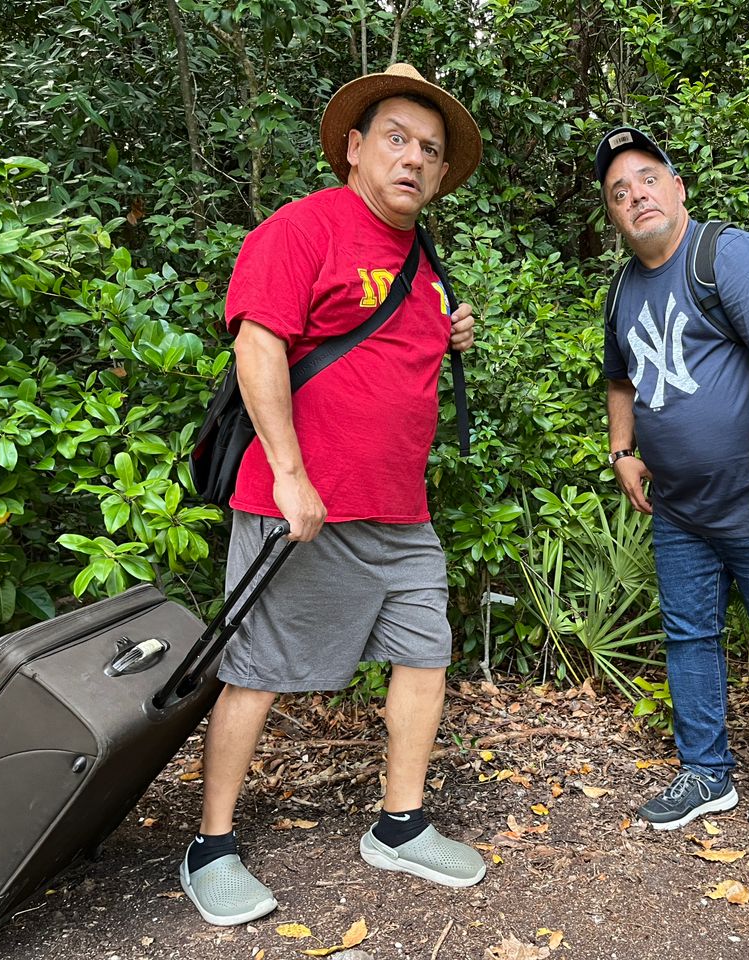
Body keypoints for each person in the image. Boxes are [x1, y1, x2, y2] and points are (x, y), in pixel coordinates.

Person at [179, 63, 487, 928]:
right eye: (396, 139)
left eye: (429, 150)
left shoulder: (424, 262)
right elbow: (259, 345)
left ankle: (400, 824)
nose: (413, 160)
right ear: (353, 149)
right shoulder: (302, 227)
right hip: (303, 509)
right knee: (256, 674)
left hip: (400, 512)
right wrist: (287, 472)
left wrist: (453, 325)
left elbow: (400, 358)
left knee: (427, 655)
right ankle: (211, 844)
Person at [595, 126, 749, 833]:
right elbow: (619, 377)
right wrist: (622, 450)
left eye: (646, 179)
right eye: (619, 192)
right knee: (688, 637)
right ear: (613, 217)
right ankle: (705, 773)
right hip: (681, 509)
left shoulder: (728, 255)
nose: (635, 195)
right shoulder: (623, 287)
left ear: (678, 188)